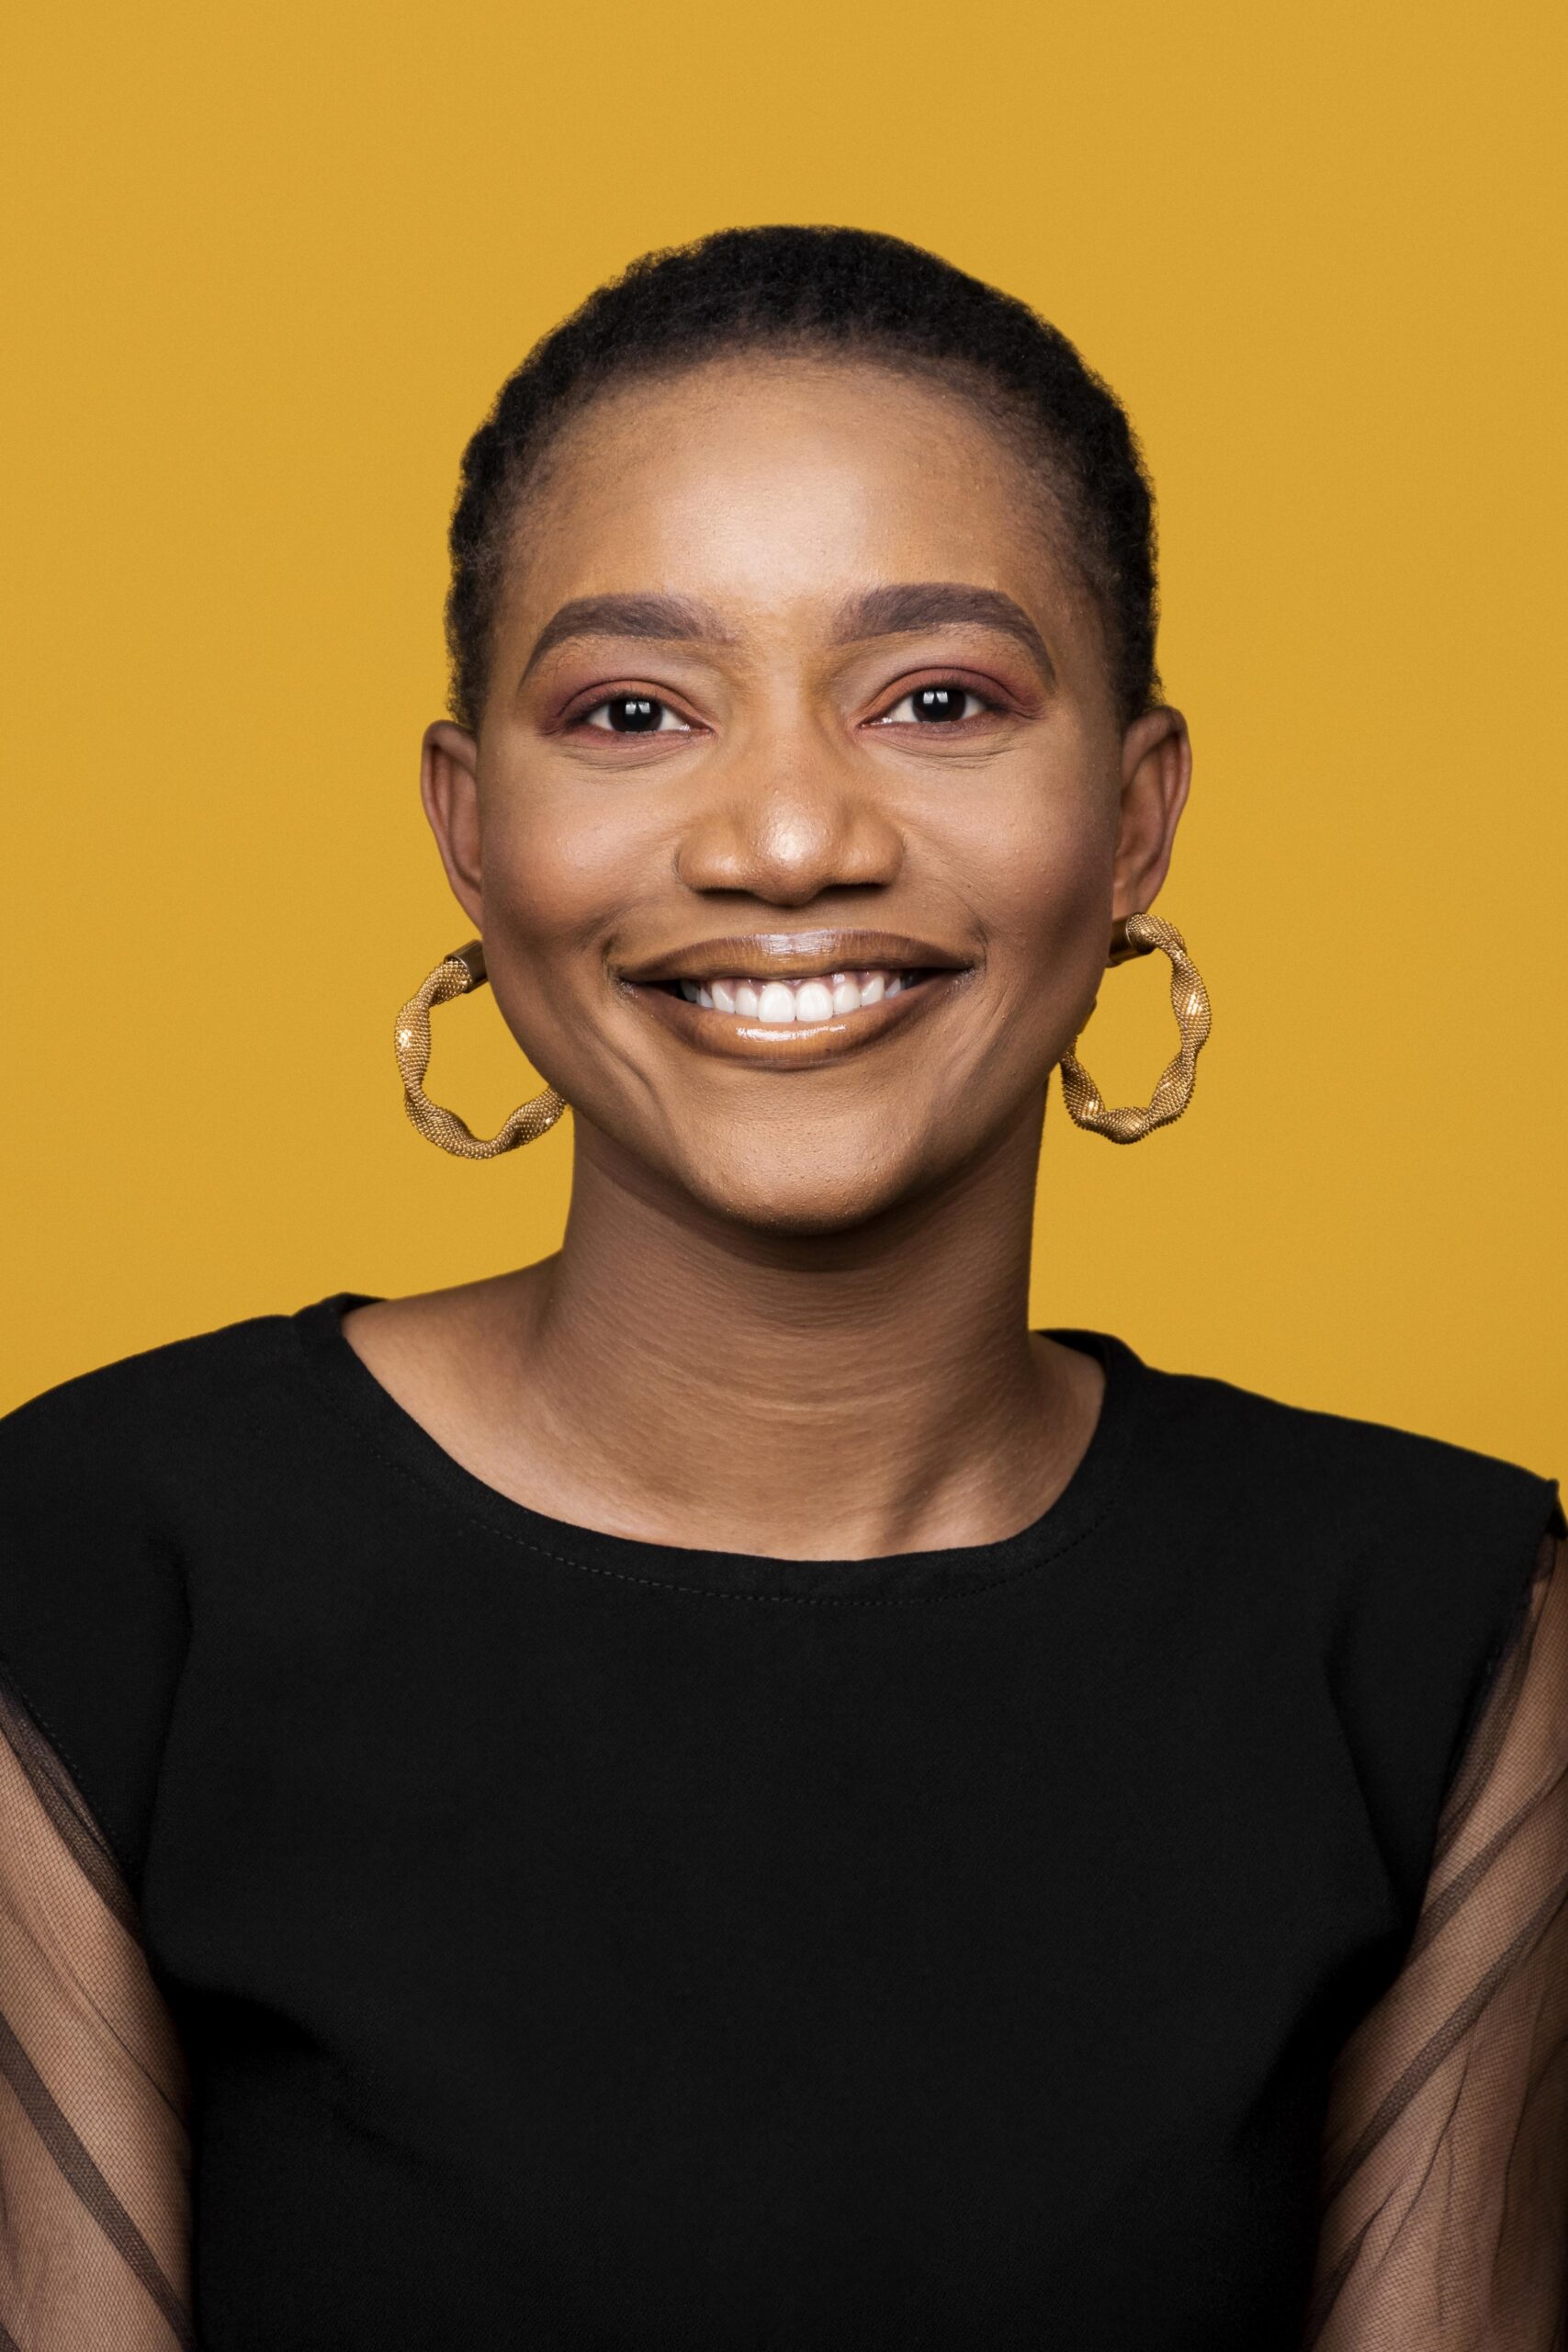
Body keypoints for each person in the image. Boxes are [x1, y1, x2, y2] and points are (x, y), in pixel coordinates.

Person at [0, 225, 1562, 2352]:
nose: (789, 834)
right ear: (473, 830)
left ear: (1131, 819)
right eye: (634, 708)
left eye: (933, 699)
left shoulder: (1442, 1624)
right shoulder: (91, 1574)